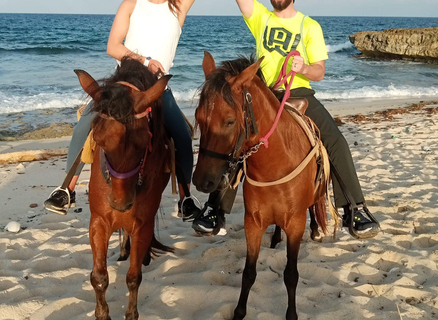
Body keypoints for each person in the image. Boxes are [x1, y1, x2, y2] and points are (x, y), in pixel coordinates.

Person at [192, 0, 380, 239]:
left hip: (299, 93)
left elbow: (319, 72)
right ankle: (214, 210)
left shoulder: (309, 26)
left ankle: (355, 209)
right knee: (235, 140)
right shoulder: (262, 17)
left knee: (336, 141)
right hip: (264, 95)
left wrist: (303, 68)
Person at [44, 0, 201, 221]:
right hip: (125, 84)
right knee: (84, 125)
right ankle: (66, 189)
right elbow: (113, 46)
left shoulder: (179, 6)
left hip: (156, 88)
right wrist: (145, 61)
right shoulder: (132, 3)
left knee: (182, 135)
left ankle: (186, 198)